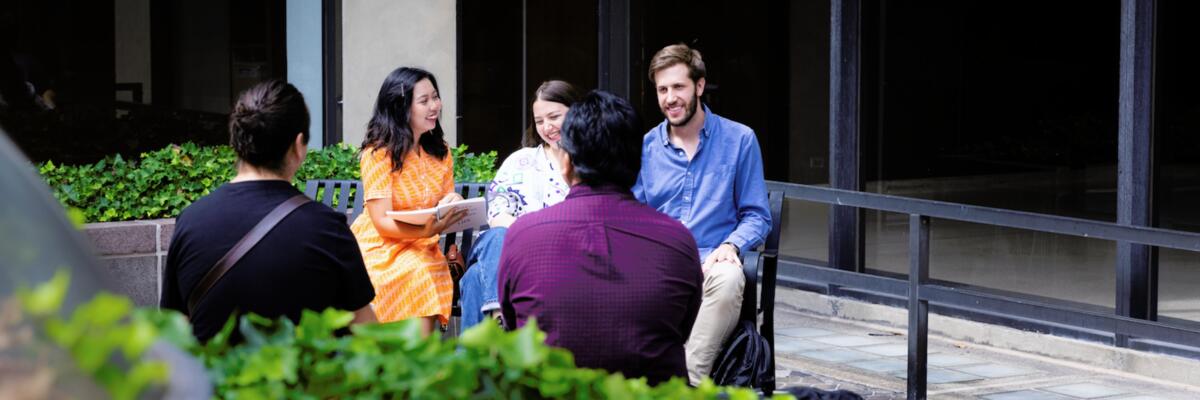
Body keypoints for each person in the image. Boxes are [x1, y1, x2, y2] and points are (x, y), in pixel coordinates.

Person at [498, 90, 703, 385]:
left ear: (566, 163)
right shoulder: (677, 241)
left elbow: (513, 321)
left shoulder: (523, 235)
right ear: (638, 163)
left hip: (549, 391)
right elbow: (679, 327)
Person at [161, 80, 377, 341]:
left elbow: (174, 333)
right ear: (298, 146)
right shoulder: (327, 228)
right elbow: (369, 336)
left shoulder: (191, 221)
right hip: (303, 379)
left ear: (236, 142)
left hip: (215, 380)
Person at [632, 43, 772, 385]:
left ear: (699, 86)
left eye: (678, 87)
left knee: (728, 278)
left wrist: (732, 245)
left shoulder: (740, 140)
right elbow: (632, 214)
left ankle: (684, 383)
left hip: (712, 261)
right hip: (659, 265)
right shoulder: (646, 147)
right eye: (662, 90)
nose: (670, 98)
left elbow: (757, 215)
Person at [350, 67, 467, 336]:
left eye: (435, 97)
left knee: (422, 271)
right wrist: (427, 230)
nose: (434, 106)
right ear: (401, 107)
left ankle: (419, 362)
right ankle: (395, 360)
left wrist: (454, 201)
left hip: (422, 245)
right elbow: (381, 222)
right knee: (403, 275)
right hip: (378, 245)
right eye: (424, 101)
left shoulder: (441, 152)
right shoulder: (378, 153)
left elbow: (442, 204)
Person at [458, 80, 580, 329]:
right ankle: (500, 313)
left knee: (473, 279)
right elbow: (498, 210)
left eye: (554, 116)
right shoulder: (521, 160)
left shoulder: (588, 162)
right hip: (512, 253)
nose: (547, 127)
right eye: (539, 121)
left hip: (557, 257)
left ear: (575, 112)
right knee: (497, 236)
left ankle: (475, 357)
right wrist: (527, 237)